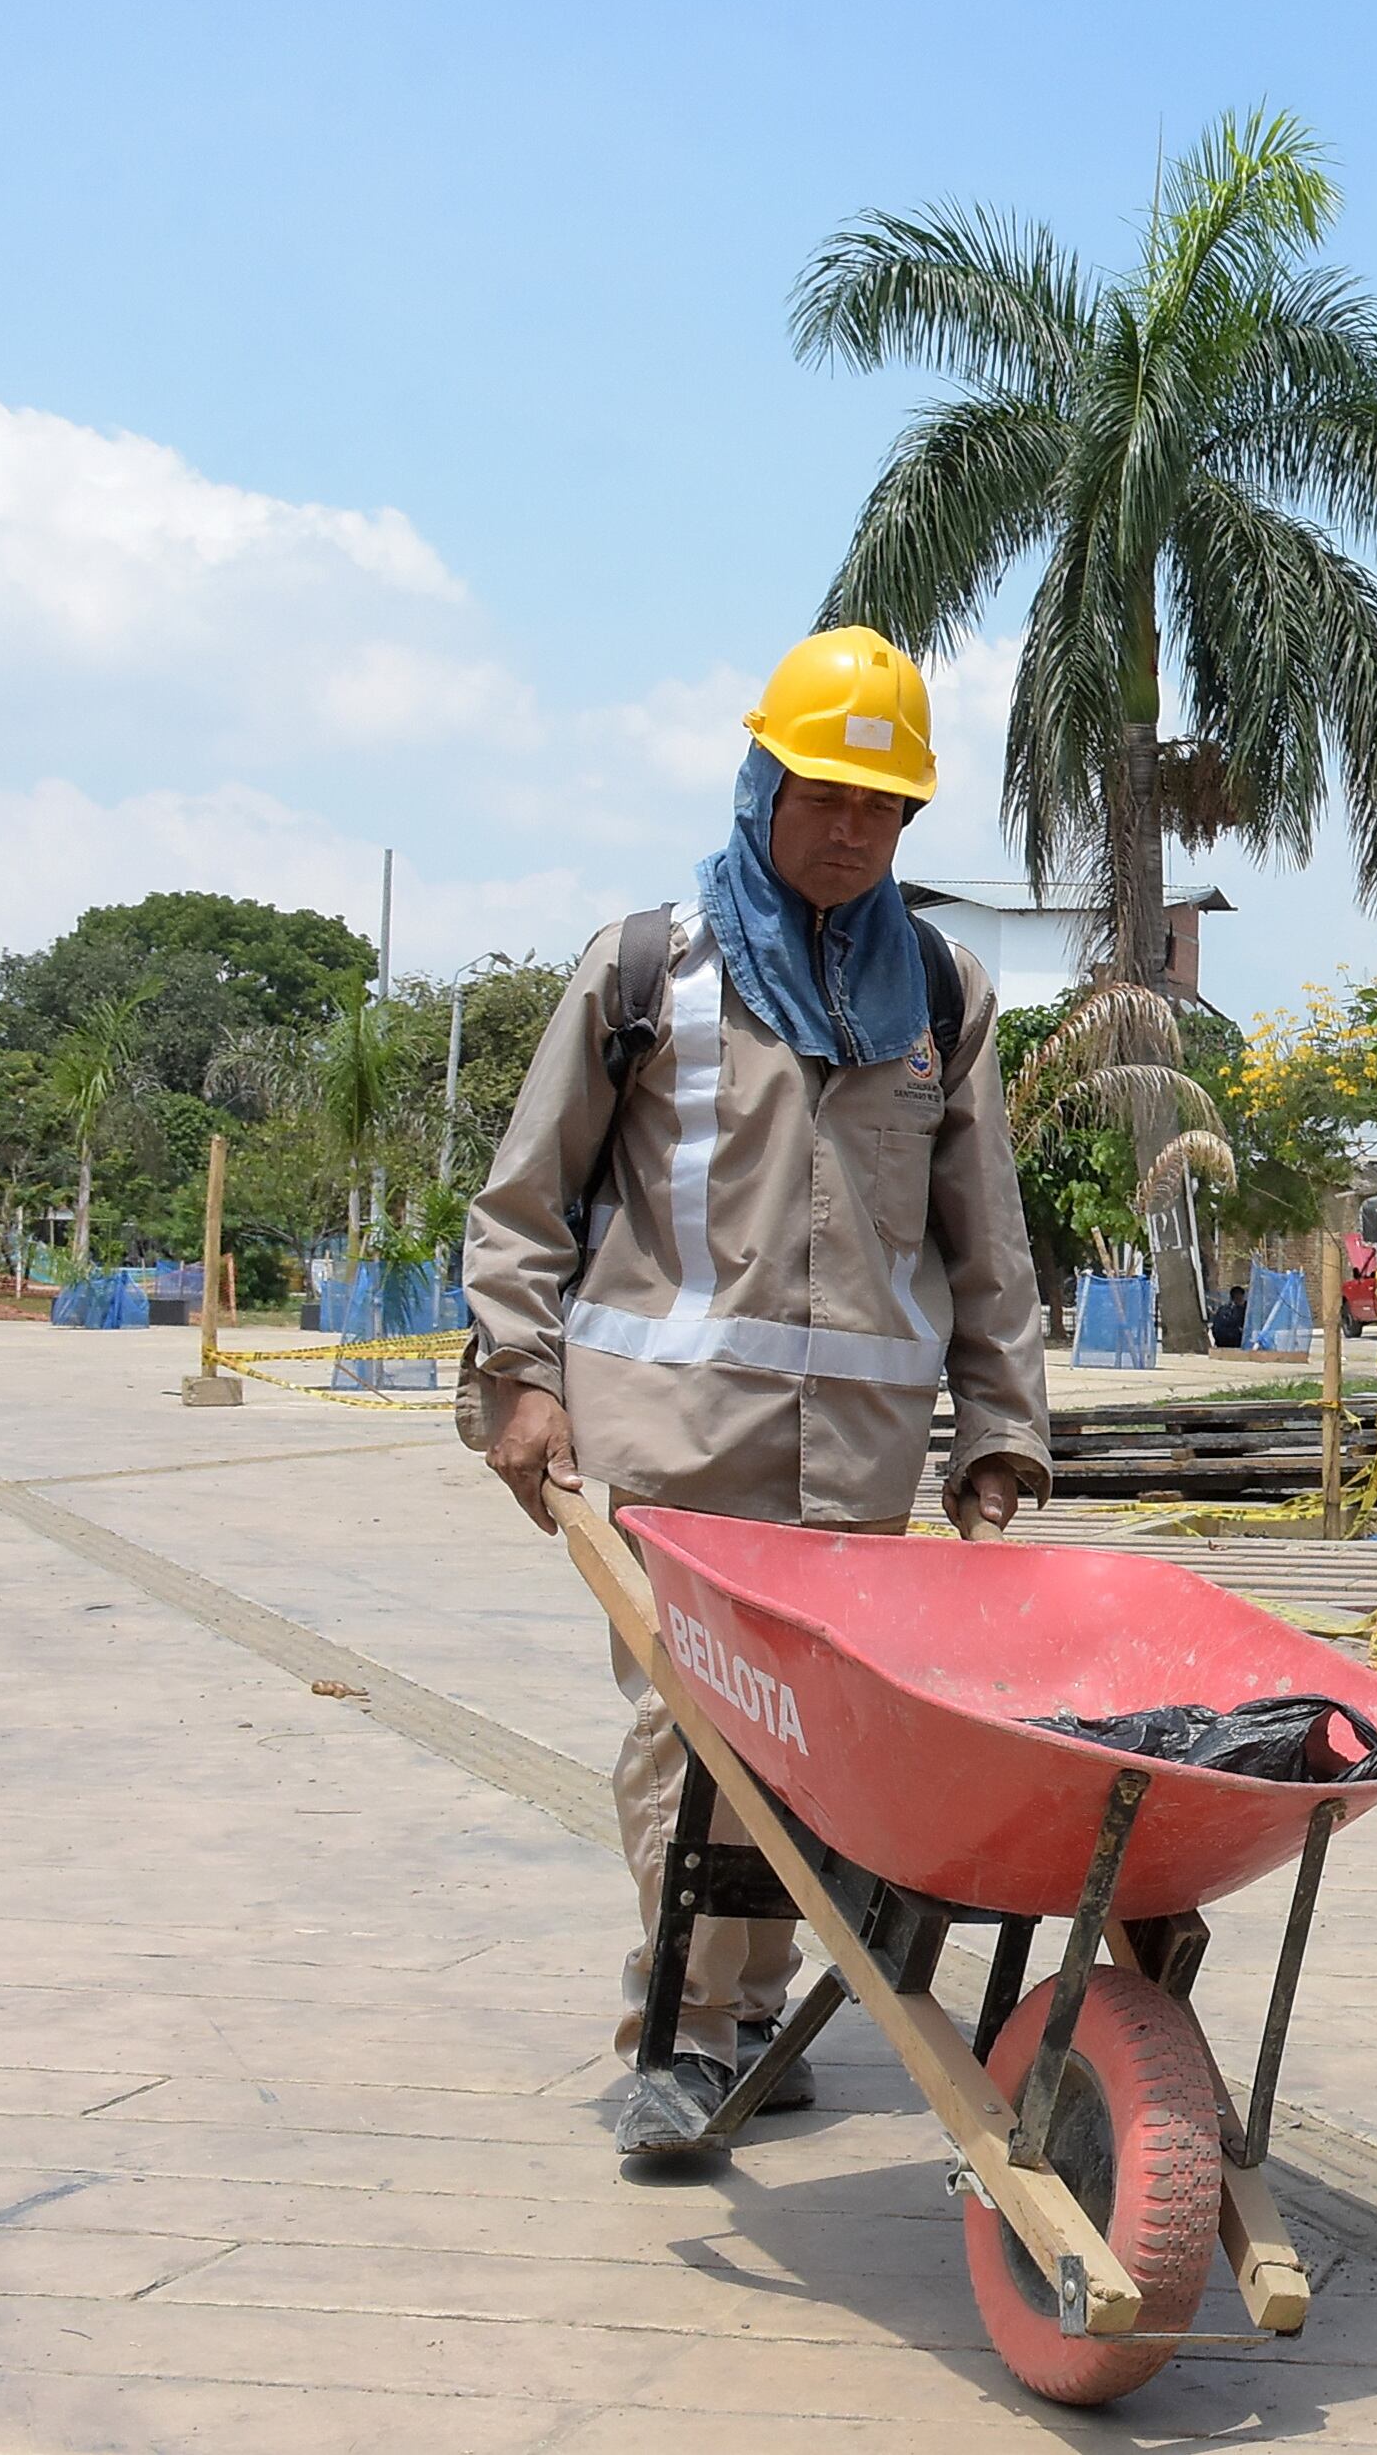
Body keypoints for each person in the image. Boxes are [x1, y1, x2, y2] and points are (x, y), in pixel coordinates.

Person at [461, 626, 1053, 2156]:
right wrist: (521, 1382)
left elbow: (984, 1234)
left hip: (852, 1465)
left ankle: (760, 2004)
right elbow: (527, 1201)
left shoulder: (937, 989)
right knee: (688, 1731)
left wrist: (998, 1429)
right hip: (675, 1445)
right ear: (761, 781)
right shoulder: (651, 968)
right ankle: (679, 2029)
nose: (851, 829)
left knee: (806, 1746)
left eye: (883, 805)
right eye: (824, 793)